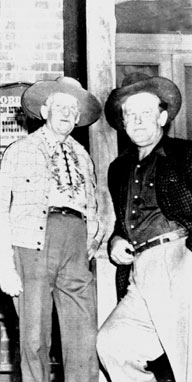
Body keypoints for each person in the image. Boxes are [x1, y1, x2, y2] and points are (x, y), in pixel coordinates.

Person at [0, 76, 102, 382]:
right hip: (33, 242)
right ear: (45, 110)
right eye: (59, 105)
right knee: (35, 336)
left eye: (72, 109)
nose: (66, 113)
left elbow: (94, 206)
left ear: (78, 118)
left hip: (76, 243)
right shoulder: (20, 150)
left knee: (83, 335)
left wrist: (91, 240)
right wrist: (3, 266)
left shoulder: (83, 156)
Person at [96, 73, 192, 382]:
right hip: (141, 268)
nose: (137, 121)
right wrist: (115, 242)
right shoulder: (119, 167)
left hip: (180, 257)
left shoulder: (186, 154)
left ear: (162, 117)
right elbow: (125, 221)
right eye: (129, 114)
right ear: (122, 122)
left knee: (186, 357)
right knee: (113, 344)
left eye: (146, 112)